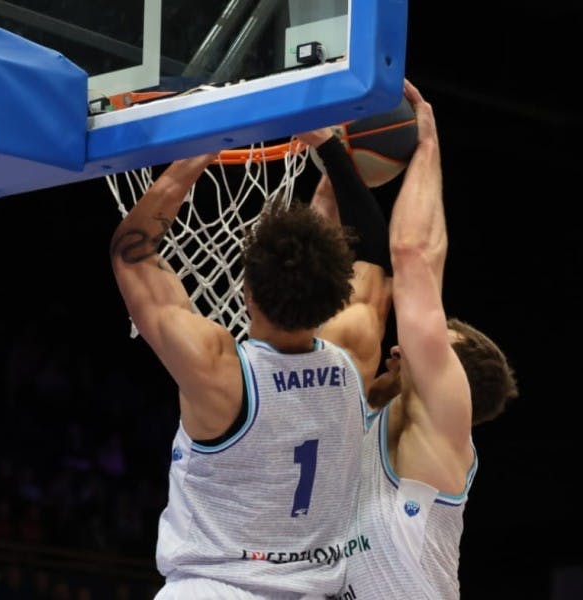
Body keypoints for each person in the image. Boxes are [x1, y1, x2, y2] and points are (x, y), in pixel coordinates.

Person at [108, 123, 392, 597]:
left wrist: (205, 144)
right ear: (338, 294)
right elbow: (376, 256)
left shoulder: (219, 369)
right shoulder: (354, 349)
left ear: (246, 292)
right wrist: (332, 153)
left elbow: (131, 254)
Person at [337, 80, 519, 599]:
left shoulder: (438, 424)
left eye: (433, 346)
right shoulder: (363, 412)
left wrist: (427, 147)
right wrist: (332, 162)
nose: (401, 347)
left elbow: (412, 256)